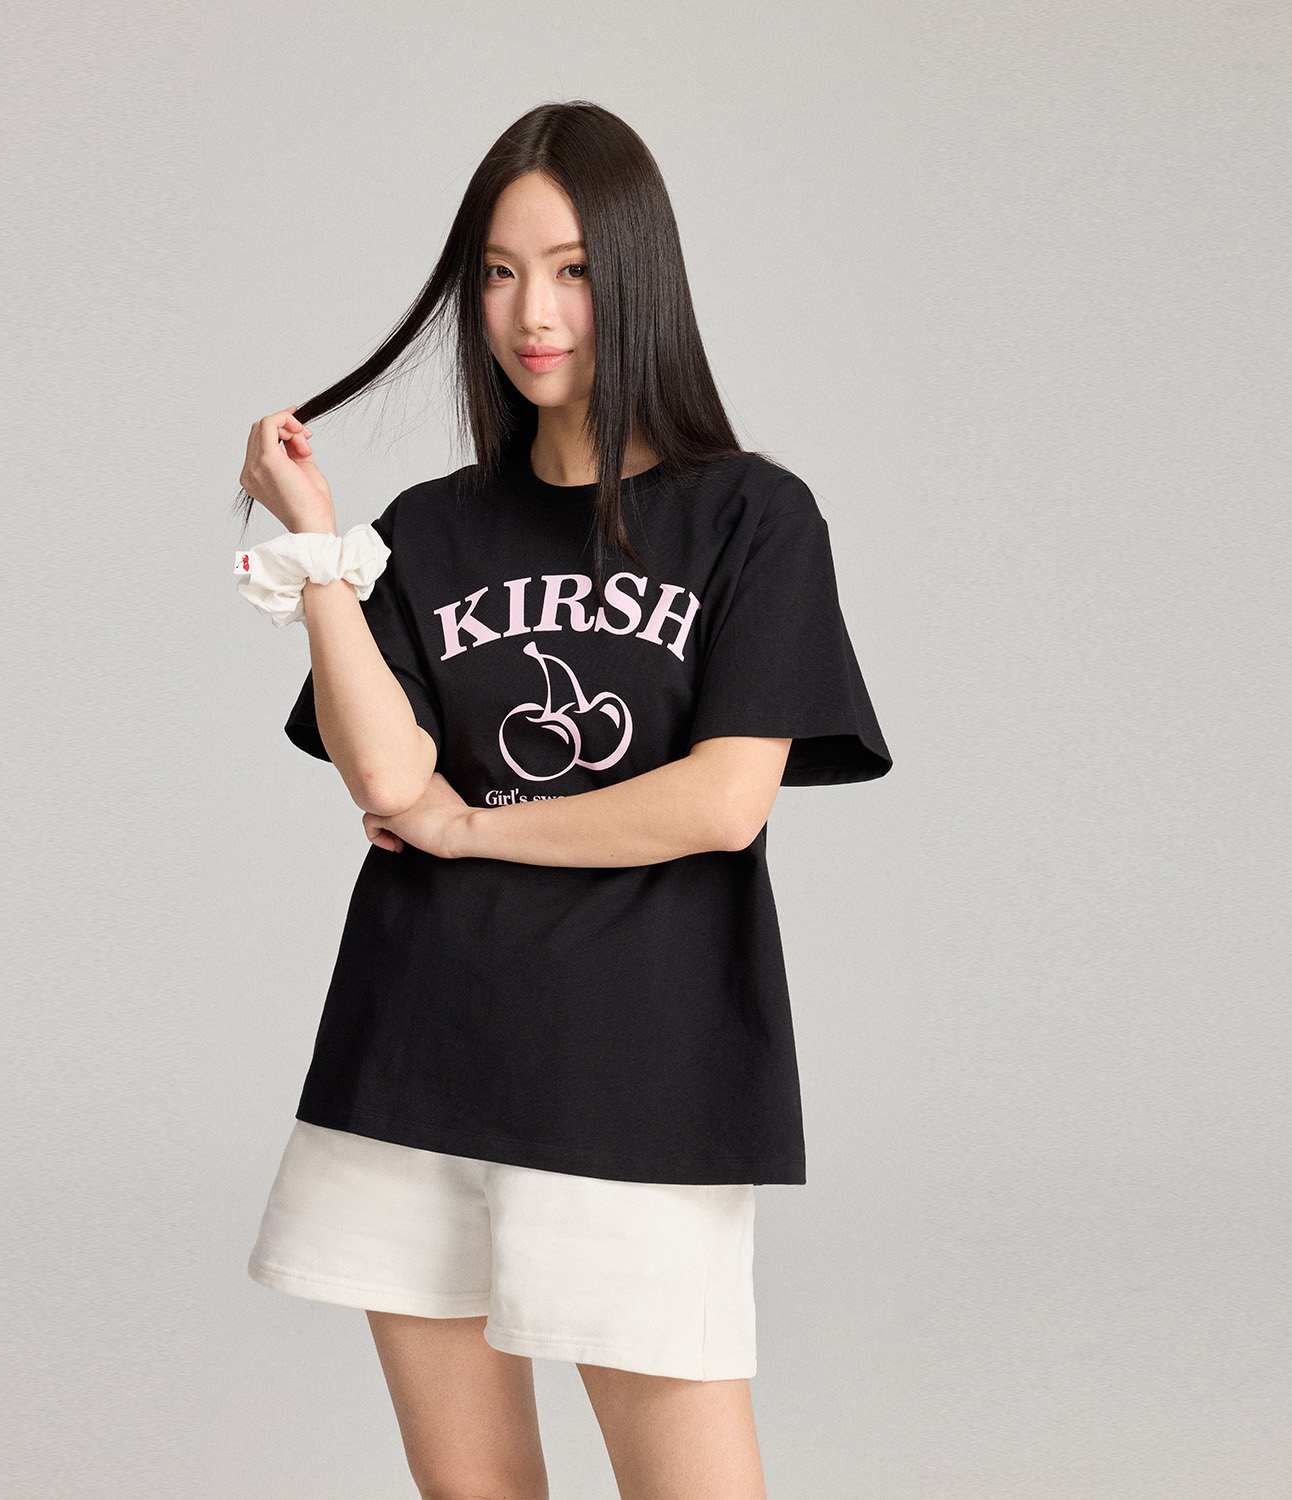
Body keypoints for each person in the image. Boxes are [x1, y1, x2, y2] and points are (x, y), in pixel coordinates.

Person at [232, 101, 891, 1500]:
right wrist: (319, 551)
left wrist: (473, 828)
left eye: (575, 269)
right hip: (416, 1056)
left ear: (638, 275)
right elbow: (388, 778)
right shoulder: (429, 529)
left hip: (637, 1077)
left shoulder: (752, 518)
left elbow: (724, 802)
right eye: (499, 271)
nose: (534, 313)